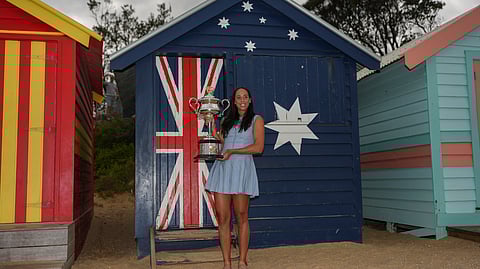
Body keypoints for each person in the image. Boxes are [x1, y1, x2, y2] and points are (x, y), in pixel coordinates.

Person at [206, 87, 265, 269]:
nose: (242, 100)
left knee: (241, 216)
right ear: (234, 101)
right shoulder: (226, 120)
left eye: (245, 97)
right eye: (238, 97)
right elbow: (222, 142)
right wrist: (210, 125)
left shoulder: (256, 119)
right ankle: (226, 262)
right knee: (223, 218)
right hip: (224, 170)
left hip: (242, 170)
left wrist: (232, 151)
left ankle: (242, 260)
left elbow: (258, 147)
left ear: (250, 99)